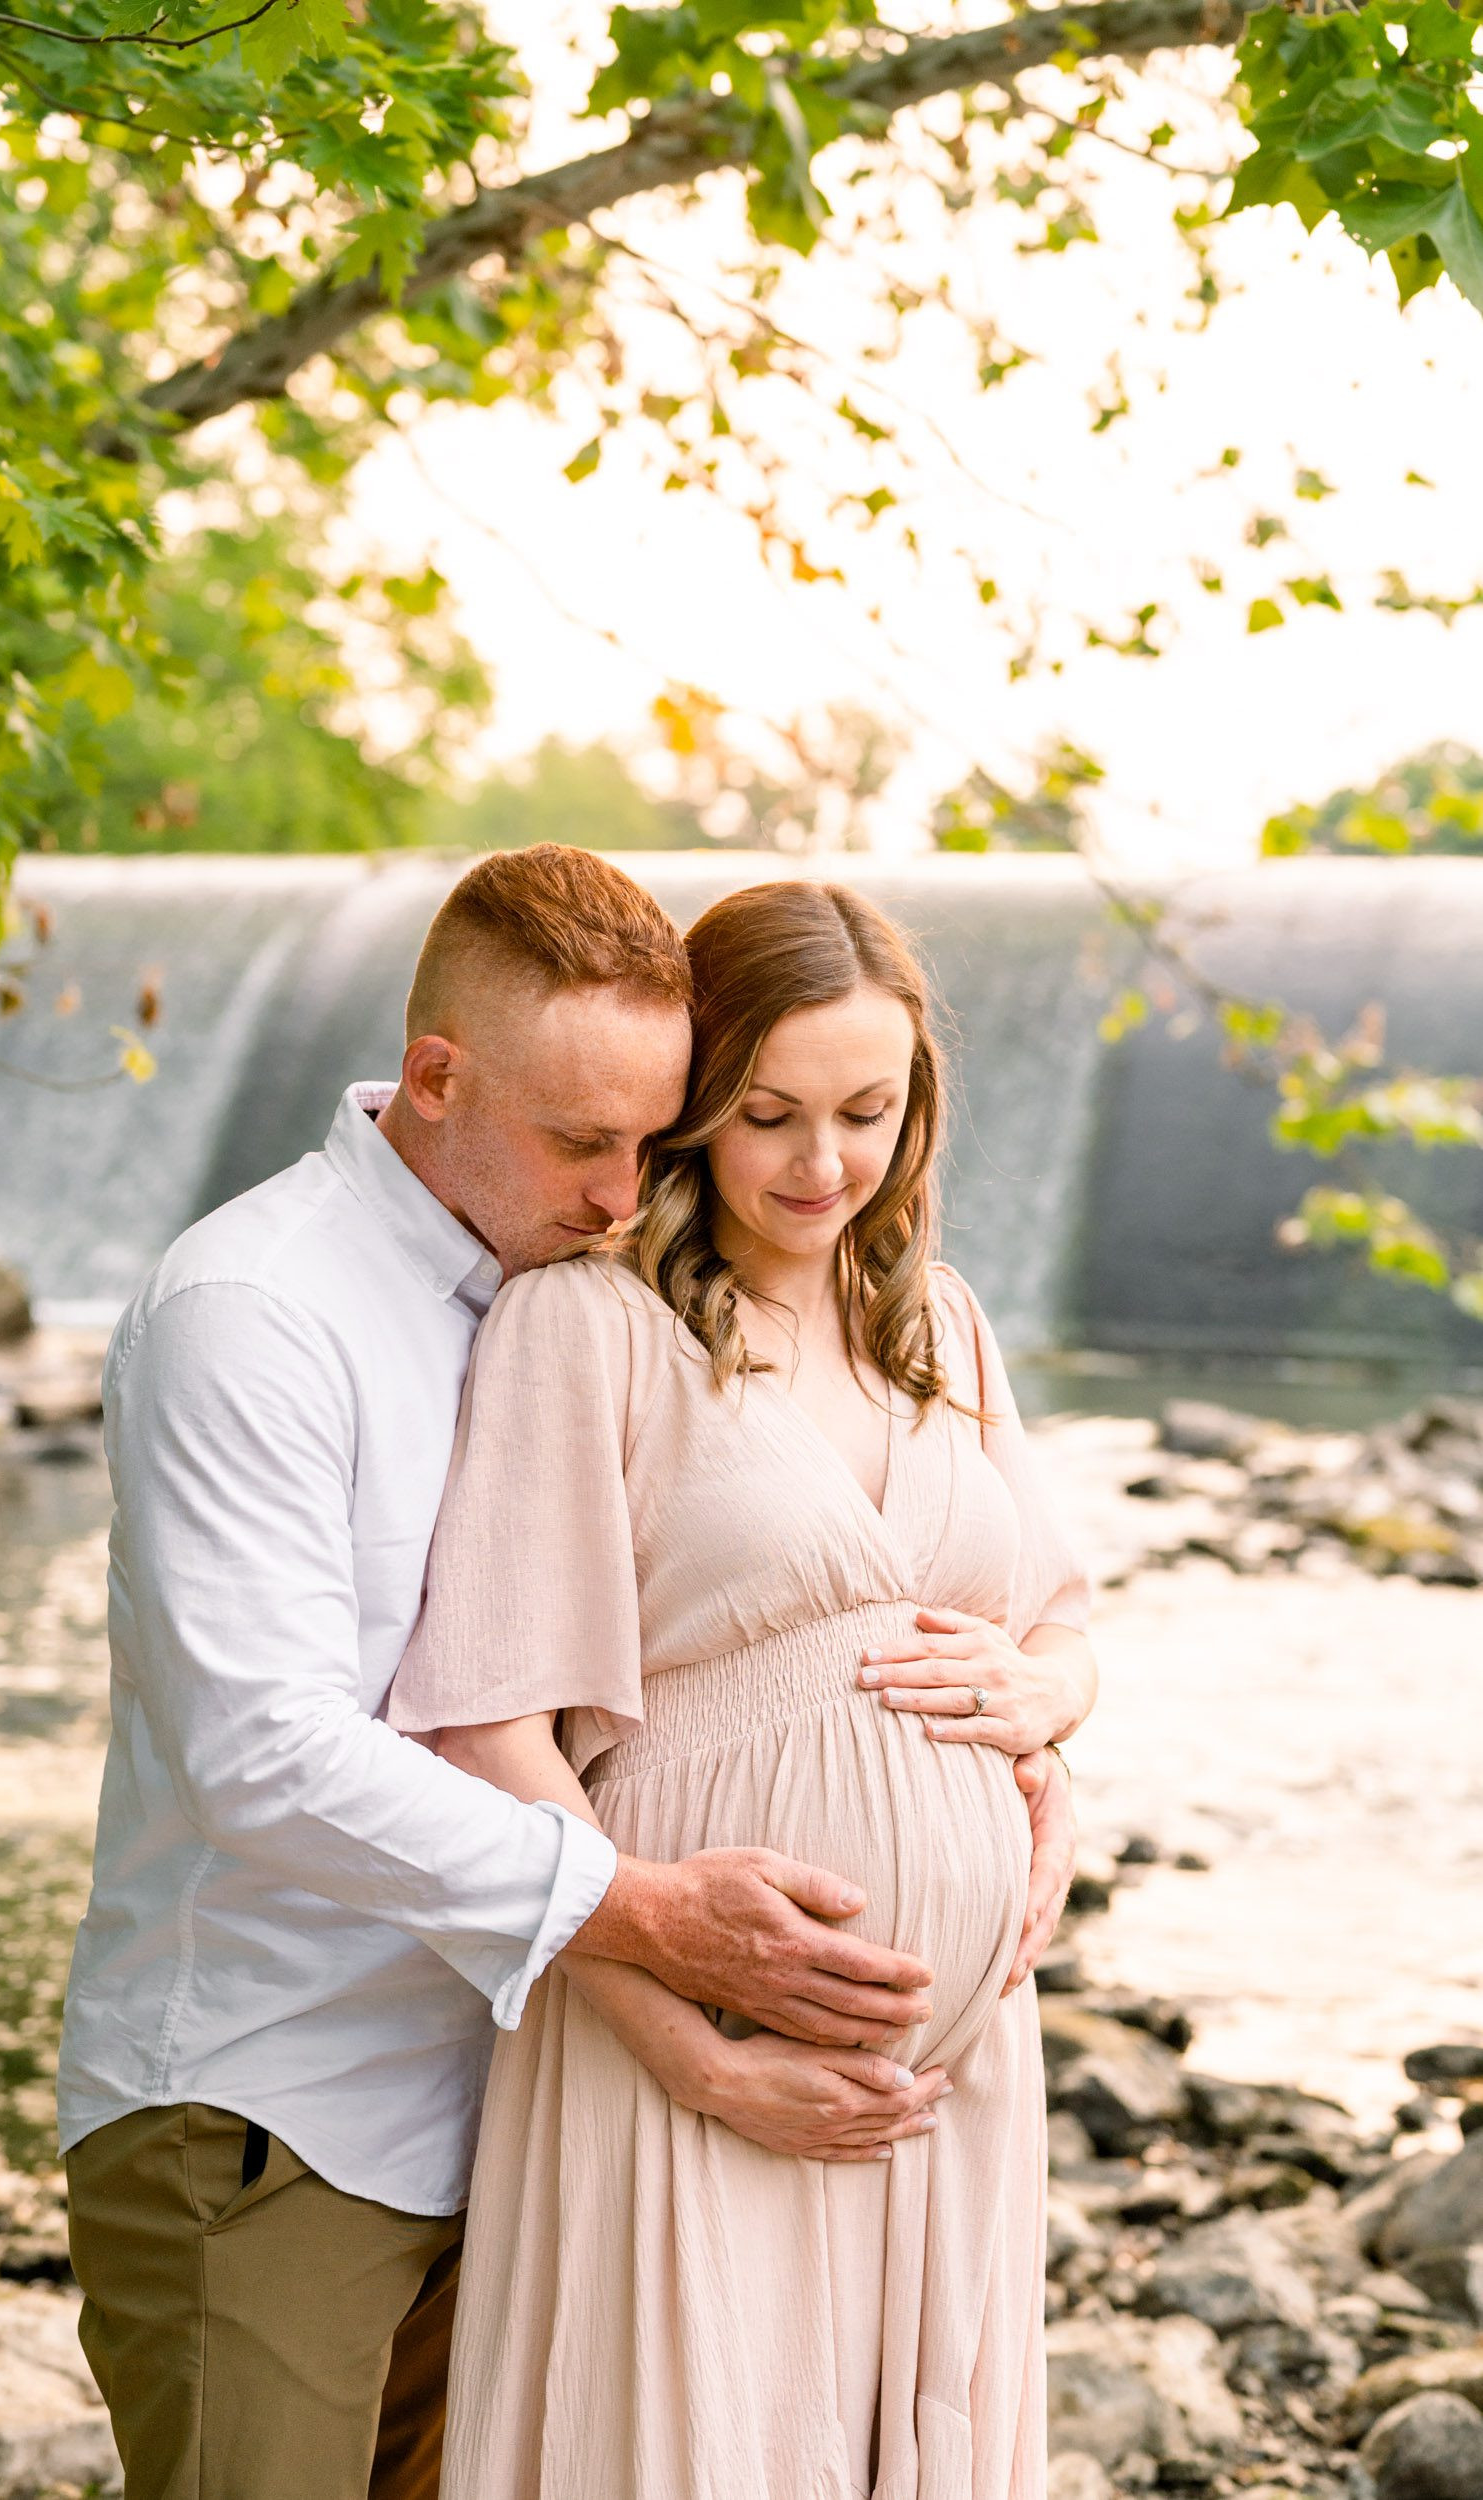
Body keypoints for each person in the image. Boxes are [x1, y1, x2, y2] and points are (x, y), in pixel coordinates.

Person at [57, 846, 1073, 2500]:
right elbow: (269, 1755)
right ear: (439, 1077)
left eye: (649, 1139)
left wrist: (1037, 1756)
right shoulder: (258, 1312)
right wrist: (657, 1944)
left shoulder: (561, 1271)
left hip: (529, 2097)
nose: (625, 1190)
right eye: (589, 1142)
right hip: (286, 2109)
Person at [388, 877, 1097, 2500]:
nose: (823, 1163)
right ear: (697, 1107)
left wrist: (1041, 1728)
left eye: (868, 1110)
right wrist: (681, 2043)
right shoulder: (588, 1327)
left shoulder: (943, 1327)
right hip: (682, 2055)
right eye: (771, 1114)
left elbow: (1063, 1633)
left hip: (947, 2068)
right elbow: (487, 1731)